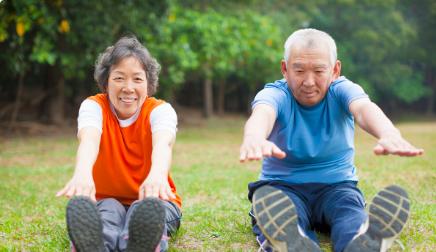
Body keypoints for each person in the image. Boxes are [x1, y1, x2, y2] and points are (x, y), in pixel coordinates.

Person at [239, 28, 423, 252]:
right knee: (283, 214)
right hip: (282, 188)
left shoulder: (342, 90)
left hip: (337, 187)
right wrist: (254, 137)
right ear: (285, 69)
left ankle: (361, 239)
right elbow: (263, 113)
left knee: (349, 213)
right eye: (299, 71)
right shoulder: (276, 94)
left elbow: (364, 110)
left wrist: (389, 134)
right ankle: (289, 241)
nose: (308, 81)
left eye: (318, 71)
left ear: (335, 70)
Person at [56, 36, 182, 252]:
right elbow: (89, 139)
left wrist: (157, 175)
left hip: (153, 199)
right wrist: (83, 173)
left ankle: (140, 244)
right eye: (119, 78)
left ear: (149, 84)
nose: (128, 88)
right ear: (106, 82)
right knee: (107, 213)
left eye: (137, 79)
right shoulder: (93, 106)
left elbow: (163, 144)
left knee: (143, 214)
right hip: (106, 199)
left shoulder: (160, 111)